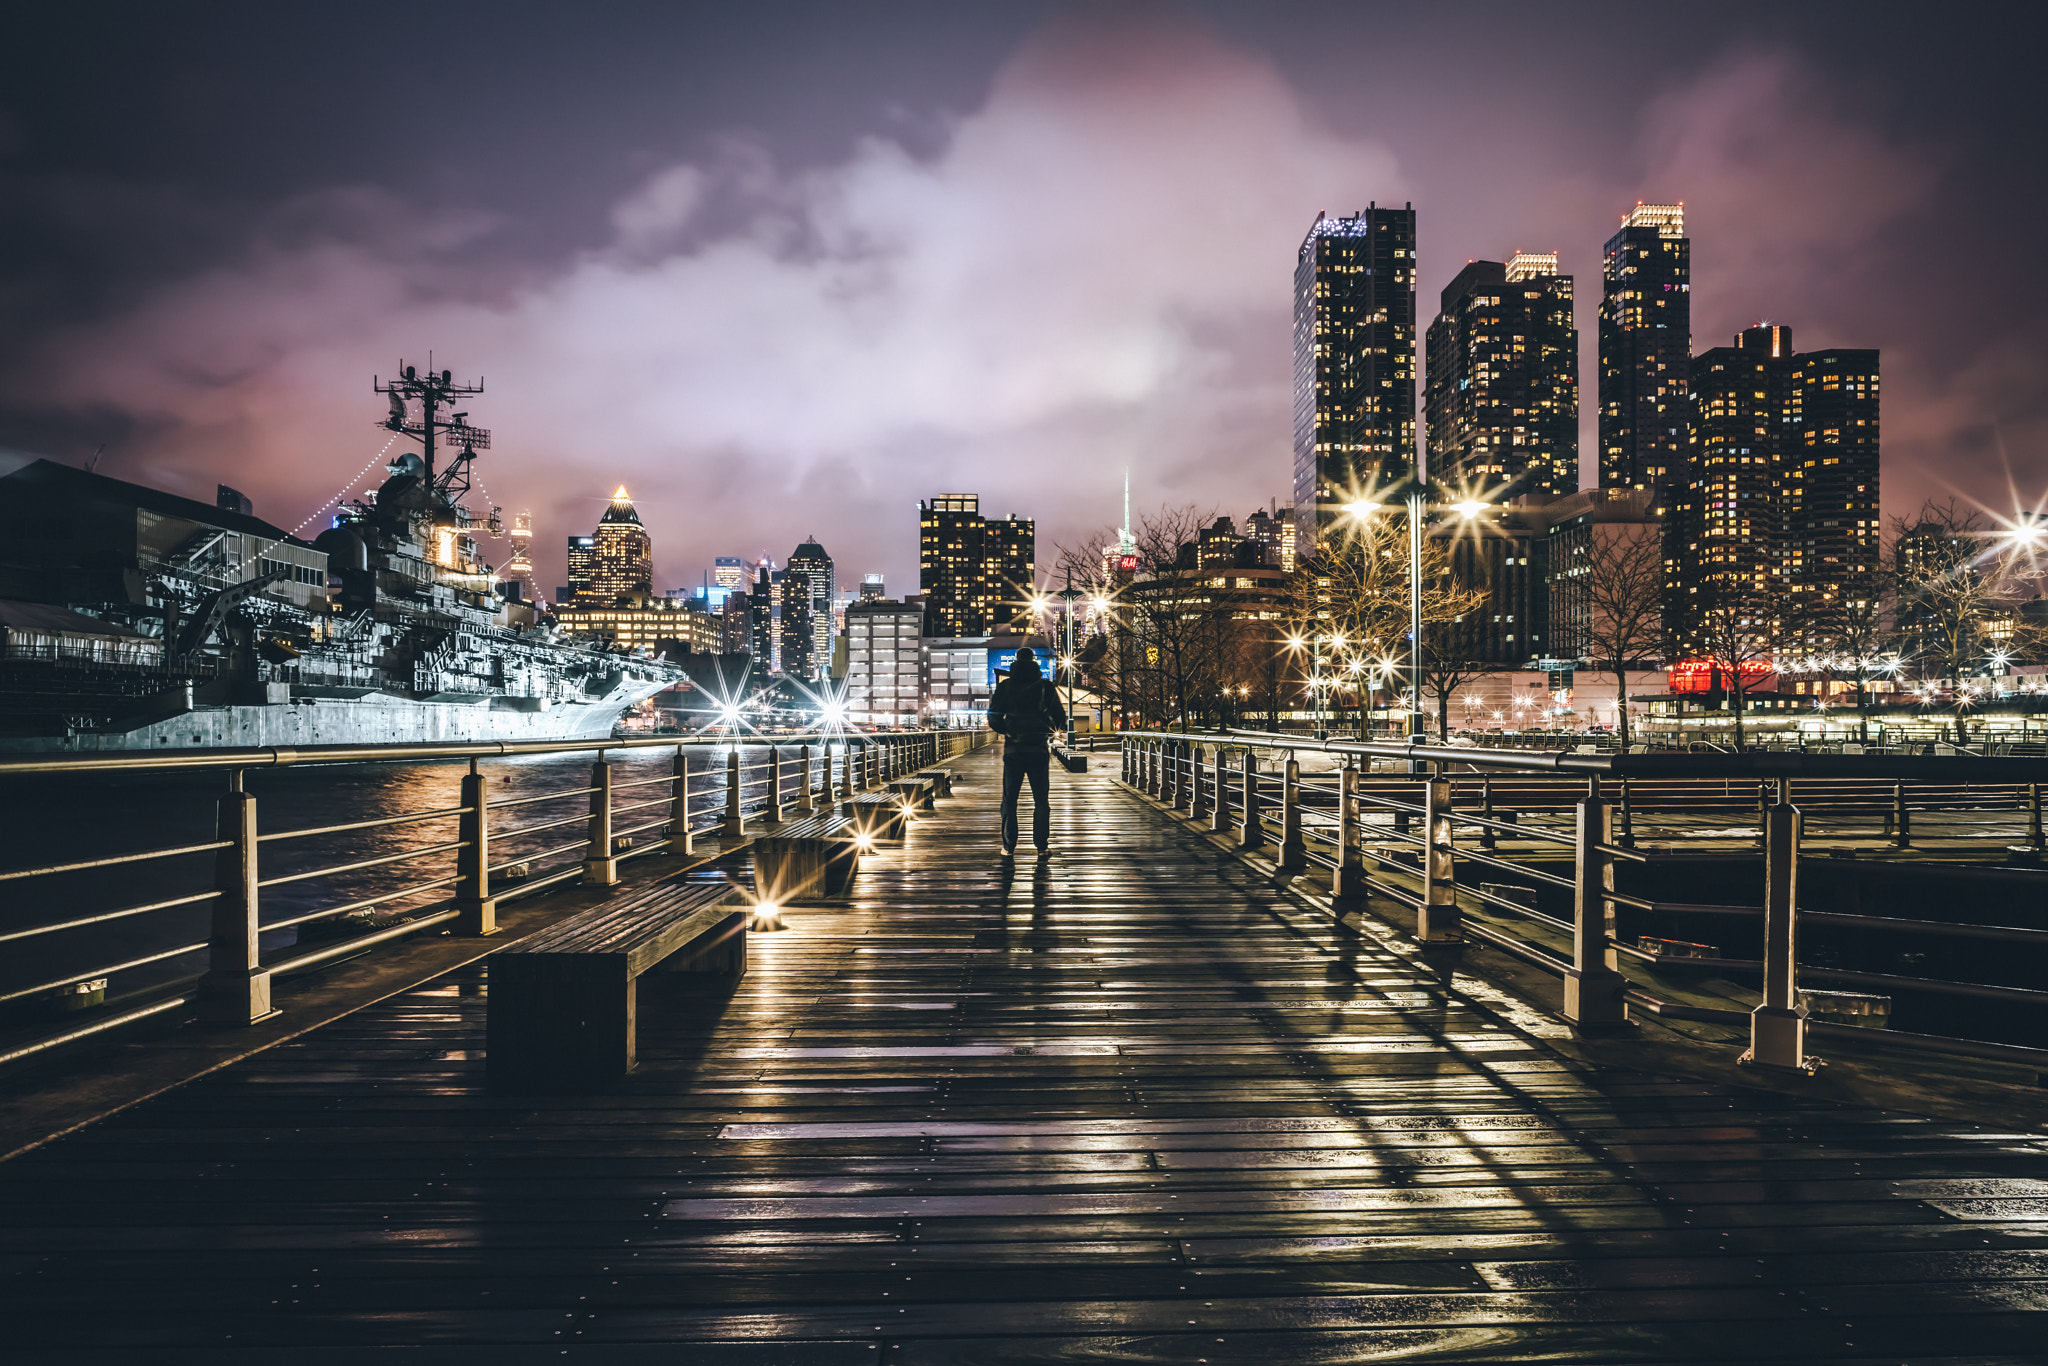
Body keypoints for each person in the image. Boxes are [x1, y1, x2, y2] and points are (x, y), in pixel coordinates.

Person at [986, 648, 1066, 854]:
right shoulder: (1045, 686)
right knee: (1041, 800)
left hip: (1013, 750)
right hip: (1038, 749)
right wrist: (1047, 731)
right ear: (1034, 661)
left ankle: (1009, 846)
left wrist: (1008, 731)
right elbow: (1059, 716)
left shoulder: (1006, 686)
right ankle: (1041, 846)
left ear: (1015, 662)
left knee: (1009, 800)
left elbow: (993, 716)